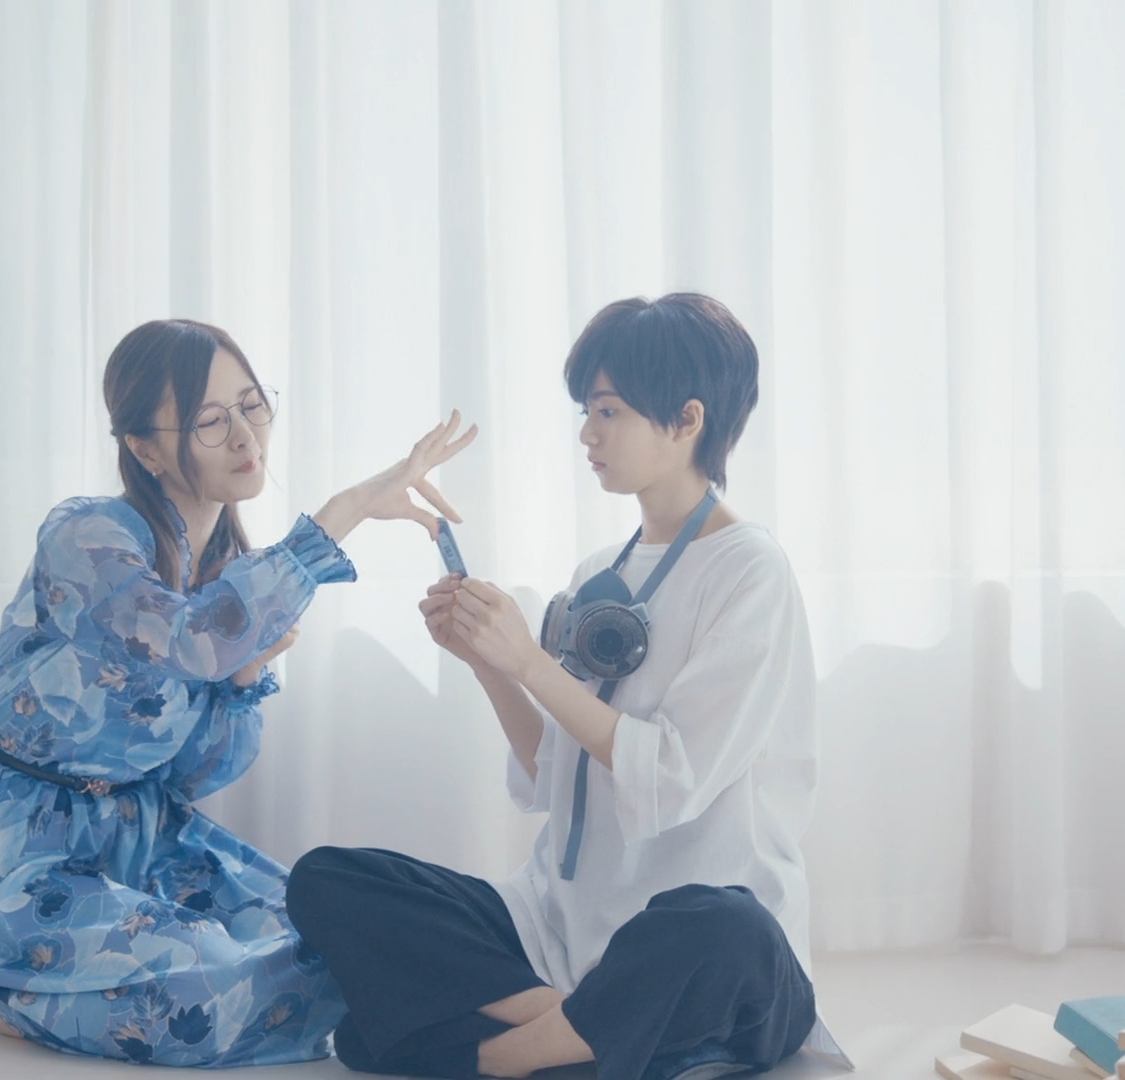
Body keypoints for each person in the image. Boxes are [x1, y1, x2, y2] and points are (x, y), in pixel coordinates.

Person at [286, 294, 847, 1080]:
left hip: (701, 943)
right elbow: (559, 775)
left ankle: (505, 1054)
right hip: (562, 935)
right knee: (328, 880)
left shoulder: (750, 569)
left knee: (725, 926)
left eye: (608, 411)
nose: (588, 433)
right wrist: (490, 665)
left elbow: (674, 777)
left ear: (687, 420)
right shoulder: (598, 573)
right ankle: (587, 1029)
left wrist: (528, 661)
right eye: (587, 411)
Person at [0, 318, 477, 1066]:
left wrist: (243, 679)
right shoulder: (88, 538)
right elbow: (188, 641)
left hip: (142, 831)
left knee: (332, 939)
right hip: (20, 854)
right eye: (210, 421)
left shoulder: (234, 578)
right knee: (205, 995)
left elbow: (196, 771)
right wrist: (347, 508)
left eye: (252, 405)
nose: (246, 436)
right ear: (145, 449)